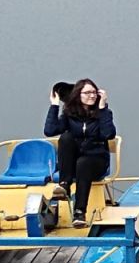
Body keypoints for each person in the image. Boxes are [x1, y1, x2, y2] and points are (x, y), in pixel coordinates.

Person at [44, 79, 116, 226]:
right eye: (87, 93)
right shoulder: (69, 115)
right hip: (73, 164)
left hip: (97, 160)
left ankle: (79, 213)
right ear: (78, 95)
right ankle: (64, 185)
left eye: (94, 92)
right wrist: (54, 105)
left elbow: (109, 134)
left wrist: (102, 108)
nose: (92, 96)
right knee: (65, 138)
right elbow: (49, 131)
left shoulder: (103, 113)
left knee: (83, 163)